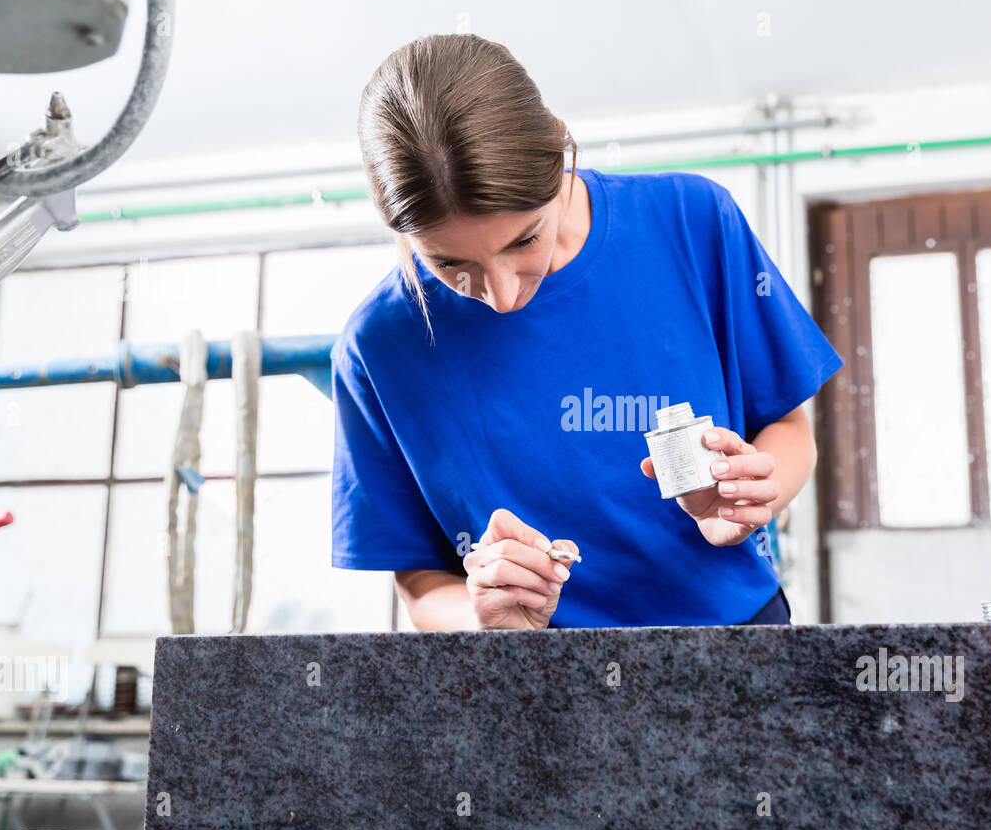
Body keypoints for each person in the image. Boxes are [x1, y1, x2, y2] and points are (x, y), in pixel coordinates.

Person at [331, 33, 843, 631]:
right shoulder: (377, 346)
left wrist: (749, 496)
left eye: (523, 240)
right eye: (451, 265)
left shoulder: (693, 219)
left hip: (739, 638)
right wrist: (486, 611)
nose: (501, 297)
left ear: (560, 149)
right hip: (536, 680)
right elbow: (419, 583)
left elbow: (788, 429)